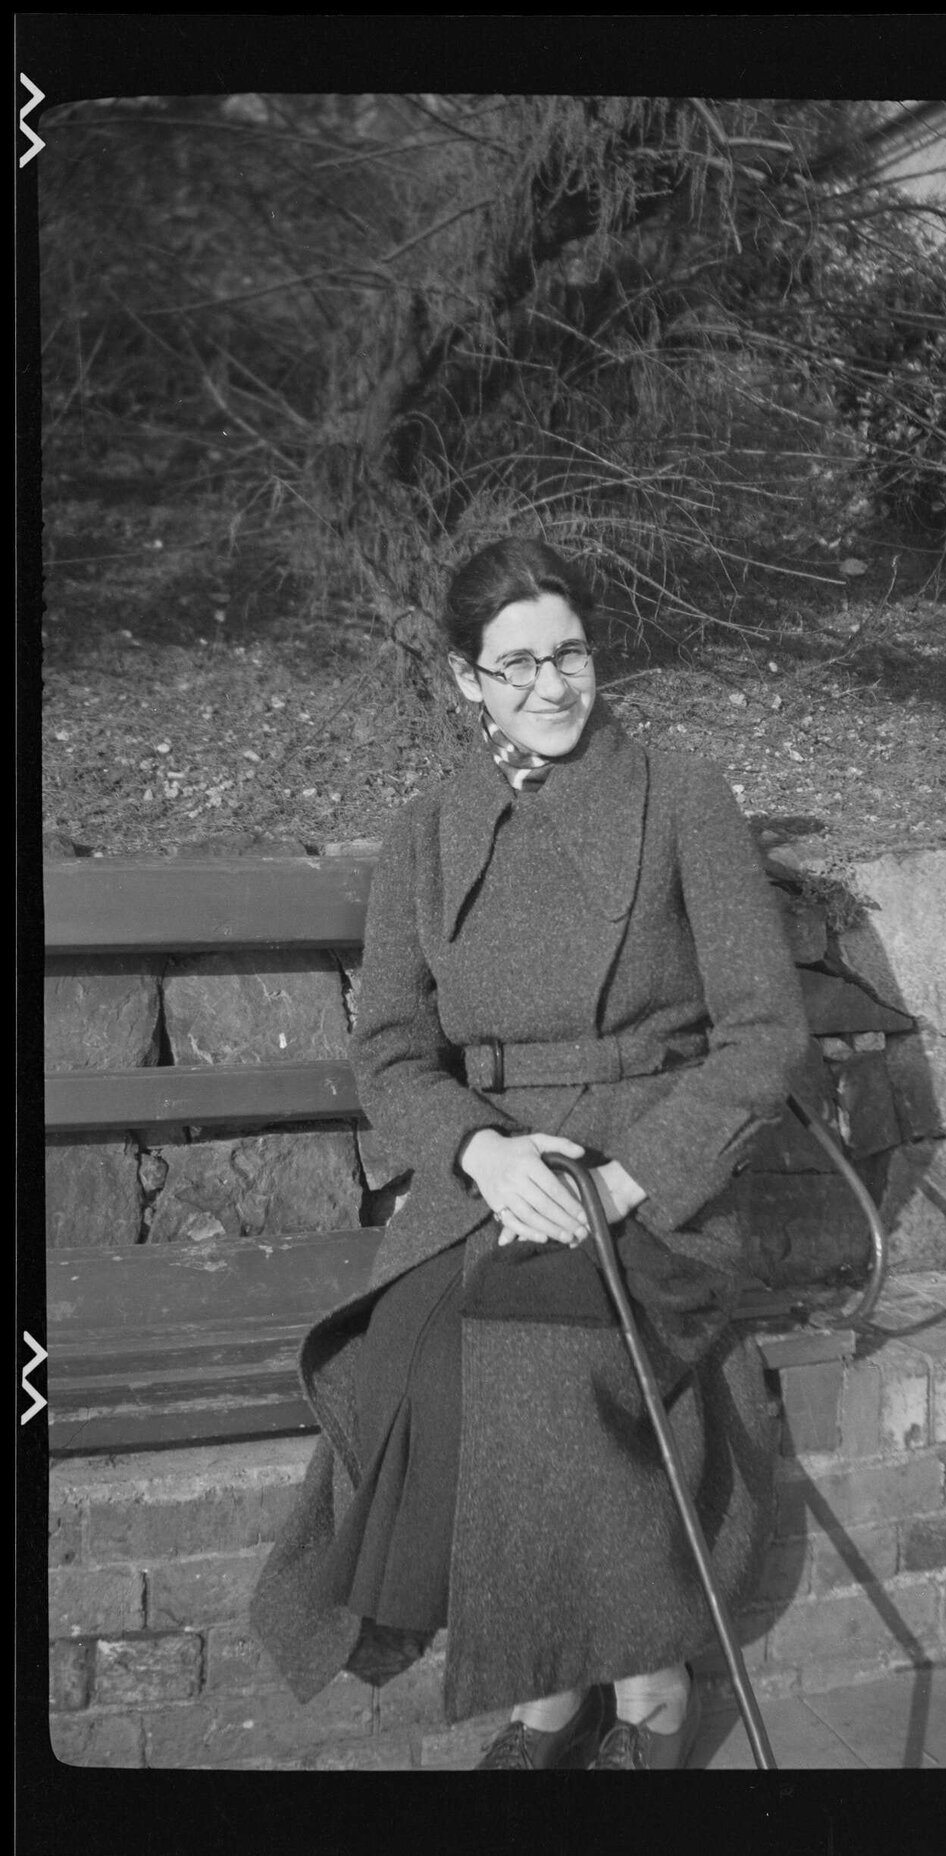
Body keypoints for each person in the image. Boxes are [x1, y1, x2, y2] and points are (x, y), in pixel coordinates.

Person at [250, 537, 811, 1770]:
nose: (552, 688)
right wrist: (481, 1153)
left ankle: (640, 1687)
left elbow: (767, 1032)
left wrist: (627, 1176)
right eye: (516, 667)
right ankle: (560, 1690)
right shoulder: (429, 834)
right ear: (466, 682)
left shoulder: (679, 795)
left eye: (570, 653)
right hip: (494, 1176)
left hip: (660, 1179)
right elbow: (392, 1051)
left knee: (539, 1357)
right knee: (409, 1357)